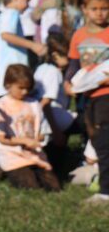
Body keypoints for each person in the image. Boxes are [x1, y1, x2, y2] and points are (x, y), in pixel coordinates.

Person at [65, 0, 109, 205]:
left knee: (104, 140)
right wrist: (67, 82)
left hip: (106, 94)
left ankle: (106, 190)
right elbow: (74, 63)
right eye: (94, 9)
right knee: (94, 136)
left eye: (105, 8)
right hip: (86, 95)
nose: (100, 13)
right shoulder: (79, 35)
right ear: (84, 9)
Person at [0, 64, 59, 192]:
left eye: (27, 88)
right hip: (11, 154)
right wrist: (24, 141)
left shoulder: (34, 104)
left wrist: (38, 140)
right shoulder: (1, 105)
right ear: (8, 85)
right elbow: (1, 138)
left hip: (35, 154)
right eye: (21, 88)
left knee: (54, 187)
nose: (25, 92)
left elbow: (43, 130)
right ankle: (1, 168)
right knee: (30, 186)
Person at [0, 0, 47, 99]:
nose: (27, 5)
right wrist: (32, 45)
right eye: (26, 0)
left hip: (3, 77)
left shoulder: (4, 15)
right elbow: (6, 35)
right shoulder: (12, 13)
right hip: (12, 76)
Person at [33, 33, 75, 170]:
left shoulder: (41, 68)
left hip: (42, 119)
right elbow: (45, 104)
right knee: (82, 121)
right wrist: (56, 132)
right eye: (67, 56)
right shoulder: (53, 73)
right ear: (55, 55)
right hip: (51, 118)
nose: (70, 59)